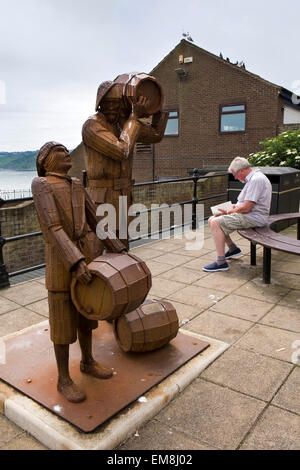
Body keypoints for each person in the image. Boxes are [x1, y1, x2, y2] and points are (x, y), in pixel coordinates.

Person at [32, 141, 126, 403]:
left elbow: (96, 219)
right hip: (62, 263)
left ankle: (88, 361)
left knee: (88, 314)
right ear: (45, 160)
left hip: (88, 256)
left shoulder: (76, 184)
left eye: (65, 150)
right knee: (62, 321)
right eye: (58, 151)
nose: (65, 154)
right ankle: (64, 378)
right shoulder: (41, 185)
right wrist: (75, 261)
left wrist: (118, 248)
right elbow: (51, 227)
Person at [82, 78, 168, 248]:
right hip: (101, 197)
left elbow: (156, 135)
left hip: (123, 195)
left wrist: (156, 109)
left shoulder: (124, 123)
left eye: (117, 103)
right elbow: (121, 151)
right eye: (108, 103)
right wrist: (134, 119)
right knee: (95, 247)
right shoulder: (92, 125)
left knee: (121, 248)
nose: (113, 107)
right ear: (99, 104)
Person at [203, 157, 272, 272]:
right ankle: (233, 248)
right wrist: (231, 207)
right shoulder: (253, 178)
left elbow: (247, 208)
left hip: (254, 217)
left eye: (235, 174)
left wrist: (229, 211)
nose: (235, 178)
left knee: (216, 222)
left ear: (241, 171)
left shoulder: (256, 180)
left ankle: (221, 262)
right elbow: (245, 203)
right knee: (212, 219)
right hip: (251, 214)